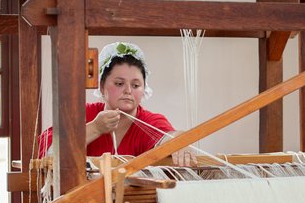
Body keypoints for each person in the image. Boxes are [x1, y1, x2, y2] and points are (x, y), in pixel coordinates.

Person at [37, 42, 193, 165]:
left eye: (136, 85)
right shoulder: (82, 115)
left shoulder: (150, 121)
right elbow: (47, 153)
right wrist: (95, 128)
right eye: (119, 83)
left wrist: (179, 139)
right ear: (102, 86)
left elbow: (167, 138)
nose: (128, 91)